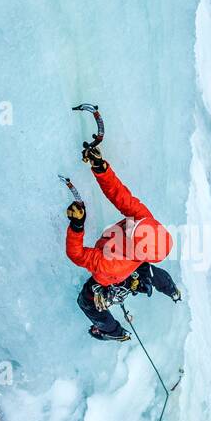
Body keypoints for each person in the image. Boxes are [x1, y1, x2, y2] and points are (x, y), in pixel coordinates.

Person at [66, 145, 181, 341]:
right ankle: (171, 289)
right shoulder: (143, 220)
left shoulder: (110, 262)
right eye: (138, 226)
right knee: (148, 272)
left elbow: (77, 255)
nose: (132, 226)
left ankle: (111, 331)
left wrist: (77, 226)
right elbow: (121, 196)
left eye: (133, 232)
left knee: (86, 302)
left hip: (109, 276)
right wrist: (101, 168)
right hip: (131, 266)